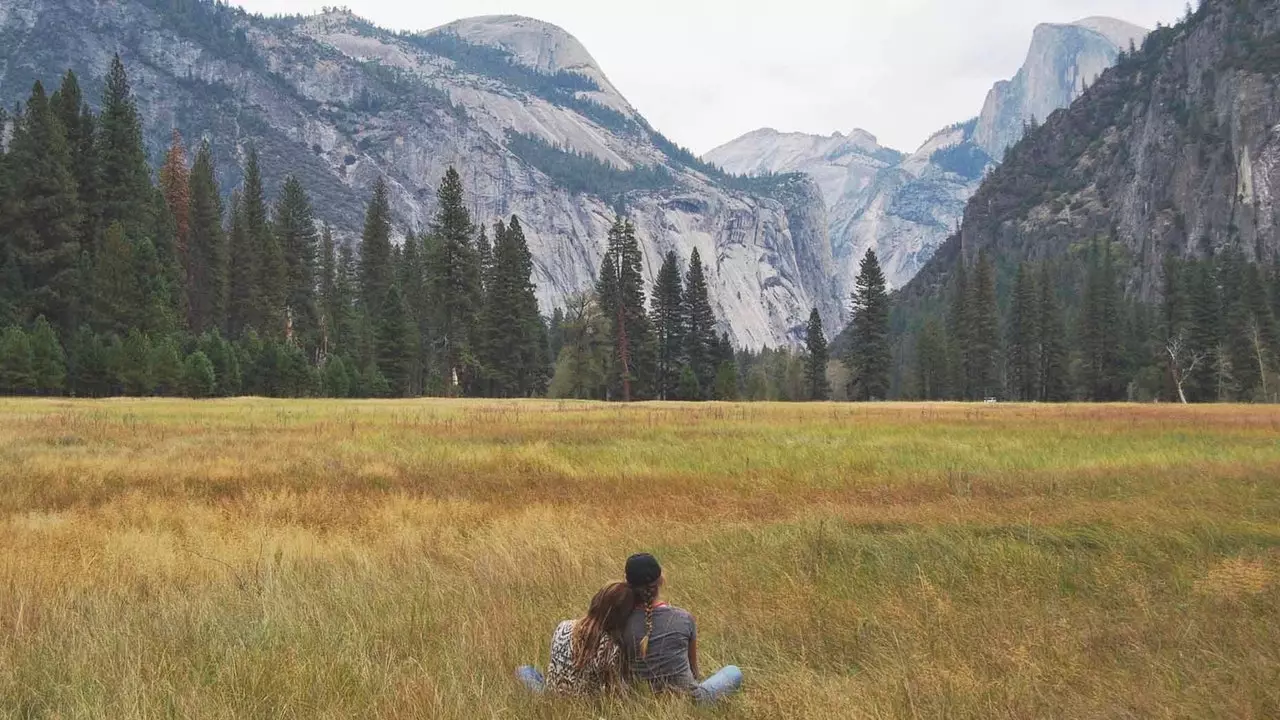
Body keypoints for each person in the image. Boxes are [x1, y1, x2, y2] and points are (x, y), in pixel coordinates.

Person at [622, 553, 743, 705]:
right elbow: (694, 672)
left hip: (643, 702)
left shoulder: (622, 622)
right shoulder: (683, 618)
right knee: (733, 671)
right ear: (661, 580)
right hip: (690, 700)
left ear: (628, 585)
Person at [516, 582, 635, 696]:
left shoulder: (563, 626)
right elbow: (617, 693)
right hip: (586, 706)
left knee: (524, 670)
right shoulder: (611, 647)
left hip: (552, 696)